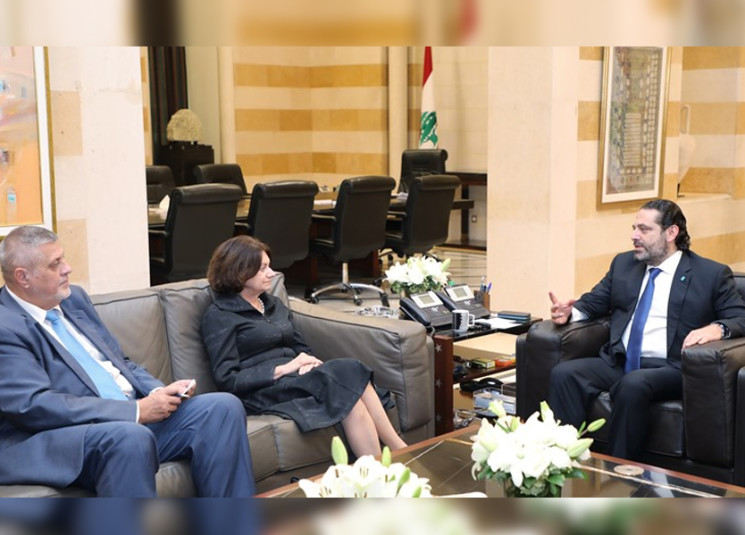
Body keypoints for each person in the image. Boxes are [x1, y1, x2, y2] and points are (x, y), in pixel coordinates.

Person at [0, 226, 256, 497]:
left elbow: (119, 361)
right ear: (23, 277)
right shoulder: (6, 325)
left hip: (124, 421)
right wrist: (134, 411)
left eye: (63, 258)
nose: (68, 268)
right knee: (130, 437)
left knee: (221, 408)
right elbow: (34, 404)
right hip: (58, 437)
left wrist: (158, 392)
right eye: (55, 264)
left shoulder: (74, 299)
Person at [548, 199, 745, 461]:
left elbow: (740, 317)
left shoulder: (710, 274)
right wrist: (570, 313)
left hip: (671, 366)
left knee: (634, 384)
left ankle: (619, 470)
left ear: (671, 233)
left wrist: (716, 329)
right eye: (634, 228)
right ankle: (561, 462)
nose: (634, 236)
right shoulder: (624, 264)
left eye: (644, 229)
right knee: (565, 374)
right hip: (620, 361)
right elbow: (594, 302)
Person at [200, 235, 407, 458]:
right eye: (263, 268)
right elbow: (227, 379)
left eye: (269, 266)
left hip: (296, 378)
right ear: (239, 272)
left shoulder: (273, 304)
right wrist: (284, 369)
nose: (272, 273)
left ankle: (378, 467)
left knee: (350, 393)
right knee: (350, 370)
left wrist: (308, 362)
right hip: (262, 390)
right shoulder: (220, 316)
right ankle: (401, 452)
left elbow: (300, 347)